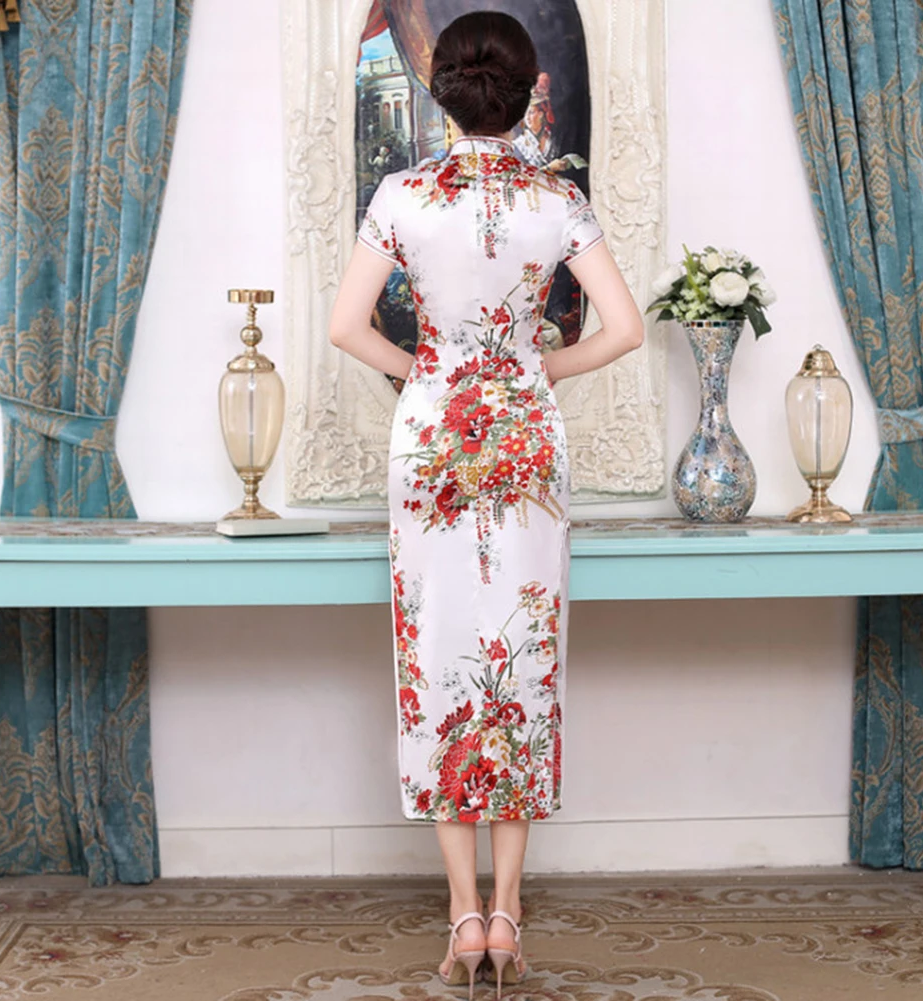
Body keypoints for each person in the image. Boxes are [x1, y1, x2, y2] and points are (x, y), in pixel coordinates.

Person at [330, 11, 642, 998]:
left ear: (442, 92)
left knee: (434, 657)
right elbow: (624, 329)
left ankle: (462, 914)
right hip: (523, 440)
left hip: (431, 439)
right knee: (522, 656)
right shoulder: (557, 199)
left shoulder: (401, 194)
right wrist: (537, 367)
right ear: (525, 90)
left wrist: (423, 373)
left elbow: (345, 327)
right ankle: (509, 912)